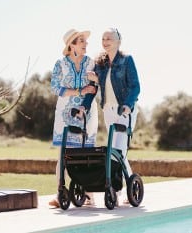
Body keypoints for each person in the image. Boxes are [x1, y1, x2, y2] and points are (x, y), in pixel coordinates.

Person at [48, 29, 98, 208]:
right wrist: (80, 91)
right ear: (72, 44)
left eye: (85, 41)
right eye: (81, 41)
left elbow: (94, 88)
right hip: (64, 115)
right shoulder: (60, 64)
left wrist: (95, 81)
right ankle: (60, 192)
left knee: (86, 154)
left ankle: (88, 193)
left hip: (86, 115)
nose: (85, 44)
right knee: (64, 154)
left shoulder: (91, 63)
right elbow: (55, 88)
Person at [92, 28, 140, 203]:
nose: (105, 41)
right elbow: (95, 88)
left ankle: (116, 190)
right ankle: (127, 183)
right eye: (103, 38)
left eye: (109, 38)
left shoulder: (127, 60)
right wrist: (83, 106)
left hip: (124, 111)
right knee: (114, 151)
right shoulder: (100, 63)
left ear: (118, 41)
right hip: (108, 110)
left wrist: (127, 105)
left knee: (119, 150)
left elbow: (135, 86)